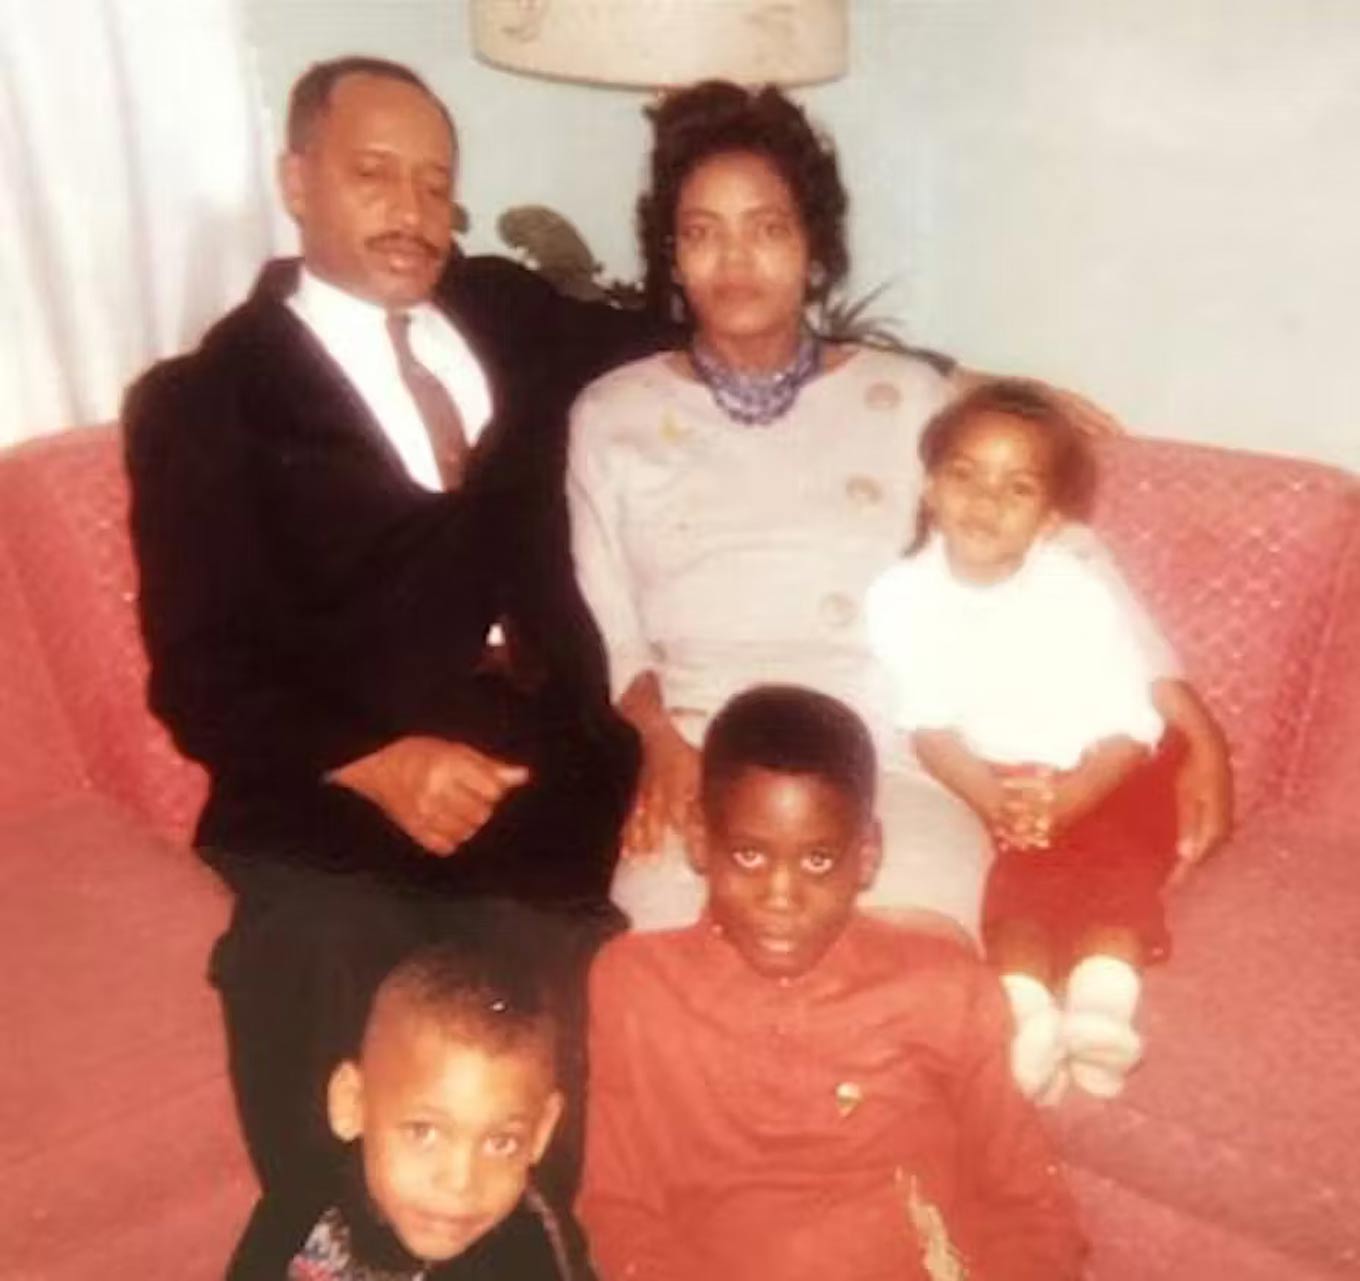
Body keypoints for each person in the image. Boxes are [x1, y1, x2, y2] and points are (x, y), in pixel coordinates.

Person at [124, 57, 665, 1204]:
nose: (413, 213)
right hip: (333, 804)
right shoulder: (203, 400)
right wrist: (381, 764)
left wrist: (938, 378)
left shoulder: (505, 313)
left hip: (543, 790)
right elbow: (199, 669)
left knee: (523, 1056)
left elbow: (694, 336)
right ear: (297, 179)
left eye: (436, 185)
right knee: (340, 1002)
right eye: (375, 176)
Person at [566, 80, 1231, 937]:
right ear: (672, 253)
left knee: (910, 974)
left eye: (767, 228)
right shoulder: (609, 416)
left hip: (893, 758)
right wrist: (661, 745)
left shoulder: (909, 396)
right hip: (711, 763)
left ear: (814, 249)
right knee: (671, 983)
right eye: (703, 232)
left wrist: (1197, 728)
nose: (735, 260)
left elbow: (1068, 563)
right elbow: (610, 629)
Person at [577, 685, 1087, 1281]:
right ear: (699, 842)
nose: (781, 896)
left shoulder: (945, 990)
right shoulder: (636, 987)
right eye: (748, 855)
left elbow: (1030, 1205)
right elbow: (620, 1207)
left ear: (866, 856)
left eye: (818, 860)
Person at [866, 379, 1215, 1101]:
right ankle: (1028, 1020)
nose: (985, 501)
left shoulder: (1074, 591)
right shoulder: (900, 598)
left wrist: (1070, 795)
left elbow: (1133, 722)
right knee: (1013, 892)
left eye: (1015, 488)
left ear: (1049, 520)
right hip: (1006, 781)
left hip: (1115, 770)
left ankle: (1099, 1013)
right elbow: (926, 724)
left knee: (1107, 875)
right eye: (965, 475)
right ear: (930, 487)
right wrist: (996, 799)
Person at [227, 931, 591, 1279]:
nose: (460, 1182)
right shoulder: (299, 1205)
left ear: (542, 1131)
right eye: (424, 1132)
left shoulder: (528, 1256)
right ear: (351, 1103)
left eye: (500, 1142)